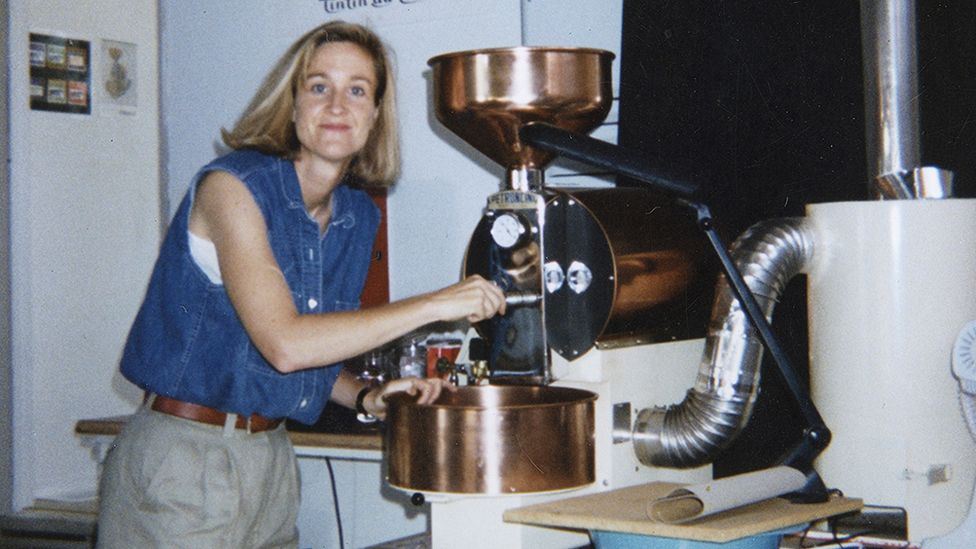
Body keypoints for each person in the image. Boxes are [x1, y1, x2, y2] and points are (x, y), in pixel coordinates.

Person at [96, 20, 506, 548]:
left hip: (270, 461)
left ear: (376, 114)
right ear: (291, 106)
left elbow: (308, 346)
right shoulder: (231, 188)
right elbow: (286, 345)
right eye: (319, 87)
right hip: (182, 460)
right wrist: (435, 303)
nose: (338, 105)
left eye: (357, 90)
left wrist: (367, 396)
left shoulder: (357, 214)